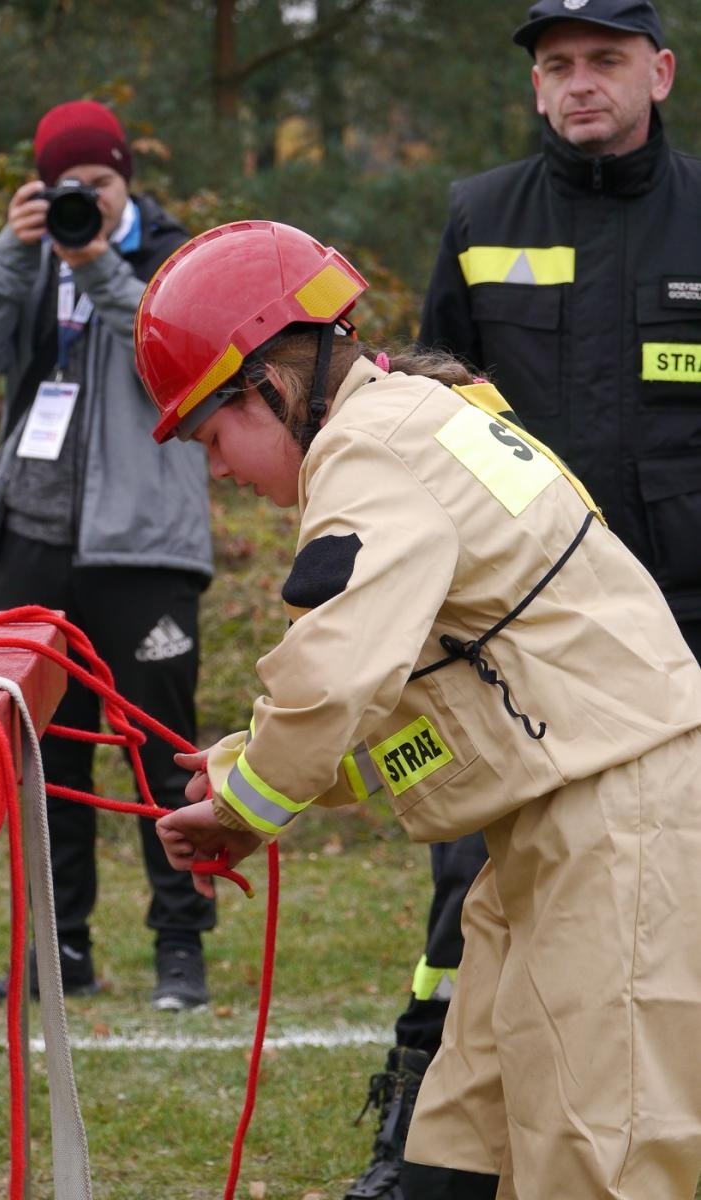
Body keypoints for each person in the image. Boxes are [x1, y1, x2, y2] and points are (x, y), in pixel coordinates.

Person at [135, 218, 701, 1200]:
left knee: (602, 1154)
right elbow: (435, 704)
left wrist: (247, 806)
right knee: (472, 1130)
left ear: (269, 378)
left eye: (211, 434)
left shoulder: (369, 451)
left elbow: (336, 670)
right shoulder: (418, 420)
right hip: (575, 814)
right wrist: (252, 772)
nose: (218, 469)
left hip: (616, 827)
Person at [346, 2, 701, 1194]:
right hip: (521, 642)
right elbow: (432, 422)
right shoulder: (479, 216)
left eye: (604, 60)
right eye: (557, 65)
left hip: (682, 642)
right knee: (474, 899)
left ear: (659, 70)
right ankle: (428, 1140)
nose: (579, 82)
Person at [0, 99, 216, 1011]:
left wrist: (96, 264)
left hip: (144, 545)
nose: (80, 201)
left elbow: (178, 352)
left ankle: (180, 949)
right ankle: (61, 952)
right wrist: (11, 250)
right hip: (35, 538)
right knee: (46, 751)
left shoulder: (176, 257)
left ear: (125, 177)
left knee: (158, 754)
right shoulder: (28, 253)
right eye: (64, 188)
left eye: (95, 185)